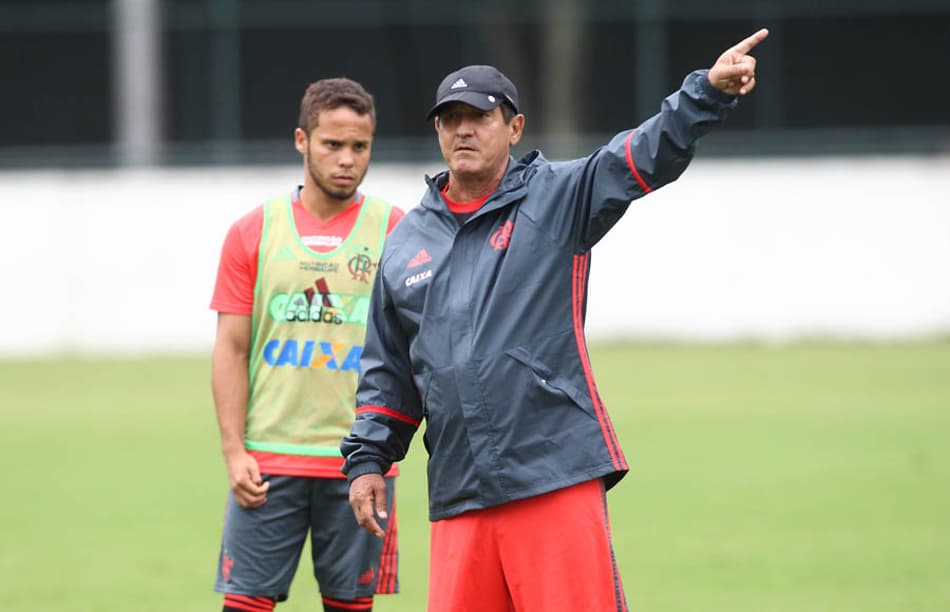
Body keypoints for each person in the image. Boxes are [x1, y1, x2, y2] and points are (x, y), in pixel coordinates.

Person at [342, 29, 769, 611]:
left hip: (552, 475)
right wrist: (368, 459)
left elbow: (645, 152)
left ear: (514, 128)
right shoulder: (406, 242)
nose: (463, 129)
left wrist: (705, 92)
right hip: (459, 492)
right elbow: (389, 373)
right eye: (450, 119)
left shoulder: (558, 197)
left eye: (479, 116)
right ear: (438, 130)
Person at [210, 77, 404, 612]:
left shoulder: (397, 231)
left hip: (360, 466)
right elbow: (230, 348)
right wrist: (234, 450)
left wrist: (387, 453)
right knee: (245, 605)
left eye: (359, 147)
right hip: (268, 463)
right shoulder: (254, 231)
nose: (347, 159)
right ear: (302, 141)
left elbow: (418, 349)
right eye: (332, 144)